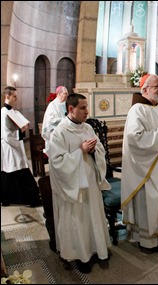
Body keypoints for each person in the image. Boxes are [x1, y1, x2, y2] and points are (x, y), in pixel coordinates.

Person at [47, 93, 111, 273]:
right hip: (73, 187)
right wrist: (80, 151)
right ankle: (80, 256)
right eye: (82, 108)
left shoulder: (88, 128)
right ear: (70, 109)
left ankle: (97, 249)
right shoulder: (60, 132)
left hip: (90, 181)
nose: (86, 111)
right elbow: (57, 162)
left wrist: (93, 151)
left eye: (86, 107)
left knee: (93, 217)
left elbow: (98, 149)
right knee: (78, 221)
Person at [121, 74, 158, 252]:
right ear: (145, 89)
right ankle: (147, 241)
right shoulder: (137, 110)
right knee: (149, 203)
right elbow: (135, 139)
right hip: (146, 168)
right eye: (156, 86)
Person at [1, 86, 42, 207]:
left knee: (13, 172)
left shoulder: (13, 112)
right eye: (14, 96)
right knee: (14, 172)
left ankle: (8, 198)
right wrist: (21, 131)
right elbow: (6, 135)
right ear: (7, 96)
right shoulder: (3, 113)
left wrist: (23, 129)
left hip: (15, 146)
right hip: (10, 147)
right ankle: (30, 198)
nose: (16, 99)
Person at [41, 86, 68, 154]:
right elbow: (50, 120)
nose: (67, 95)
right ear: (59, 94)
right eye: (65, 93)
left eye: (67, 93)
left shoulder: (65, 104)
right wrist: (65, 120)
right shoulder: (52, 105)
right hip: (54, 134)